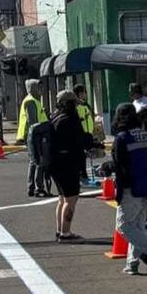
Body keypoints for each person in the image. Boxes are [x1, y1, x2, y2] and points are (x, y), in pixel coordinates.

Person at [111, 103, 147, 275]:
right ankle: (132, 263)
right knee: (138, 225)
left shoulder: (121, 138)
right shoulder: (144, 135)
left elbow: (119, 166)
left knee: (124, 226)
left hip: (130, 188)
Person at [49, 90, 90, 242]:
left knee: (62, 198)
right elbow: (77, 143)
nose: (76, 106)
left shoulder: (55, 117)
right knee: (71, 199)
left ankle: (60, 230)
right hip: (67, 164)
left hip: (55, 164)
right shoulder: (69, 120)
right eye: (74, 103)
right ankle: (66, 234)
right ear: (69, 104)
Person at [17, 78, 50, 197]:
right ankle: (38, 188)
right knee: (39, 160)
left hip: (34, 134)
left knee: (34, 161)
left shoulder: (34, 100)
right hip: (35, 135)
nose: (40, 90)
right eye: (38, 87)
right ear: (32, 88)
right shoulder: (31, 101)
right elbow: (33, 122)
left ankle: (32, 187)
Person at [73, 85, 95, 182]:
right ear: (79, 93)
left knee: (85, 155)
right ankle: (82, 174)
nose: (85, 95)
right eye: (83, 92)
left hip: (87, 132)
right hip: (81, 133)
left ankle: (83, 174)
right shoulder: (76, 105)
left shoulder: (85, 104)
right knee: (81, 156)